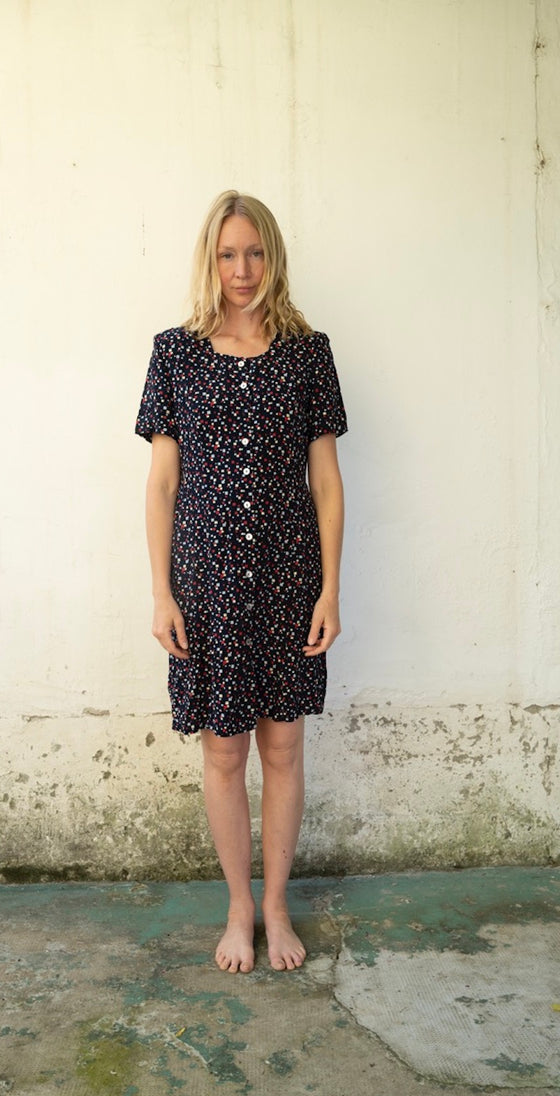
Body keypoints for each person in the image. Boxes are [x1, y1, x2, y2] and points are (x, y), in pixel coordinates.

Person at [136, 190, 346, 974]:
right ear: (210, 260)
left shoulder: (308, 351)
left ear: (273, 257)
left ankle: (278, 902)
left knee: (284, 745)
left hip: (291, 580)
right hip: (207, 585)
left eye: (255, 252)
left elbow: (326, 484)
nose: (242, 269)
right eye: (228, 254)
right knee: (225, 751)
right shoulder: (176, 352)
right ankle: (237, 905)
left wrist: (329, 589)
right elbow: (161, 486)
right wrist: (161, 592)